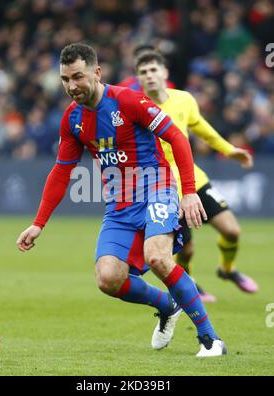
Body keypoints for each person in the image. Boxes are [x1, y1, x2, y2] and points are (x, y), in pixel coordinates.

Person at [16, 42, 227, 357]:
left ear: (97, 72)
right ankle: (167, 305)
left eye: (78, 77)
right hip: (120, 204)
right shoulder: (72, 120)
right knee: (109, 279)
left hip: (157, 187)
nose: (71, 86)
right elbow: (61, 172)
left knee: (157, 257)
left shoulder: (128, 101)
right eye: (65, 79)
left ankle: (211, 340)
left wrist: (188, 192)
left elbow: (177, 138)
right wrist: (38, 223)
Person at [134, 49, 258, 302]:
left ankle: (227, 270)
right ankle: (191, 287)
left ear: (165, 73)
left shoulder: (184, 99)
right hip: (166, 187)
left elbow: (202, 129)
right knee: (186, 249)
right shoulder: (137, 108)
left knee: (232, 230)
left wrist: (230, 150)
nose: (149, 76)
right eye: (143, 72)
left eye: (153, 70)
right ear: (139, 78)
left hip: (194, 179)